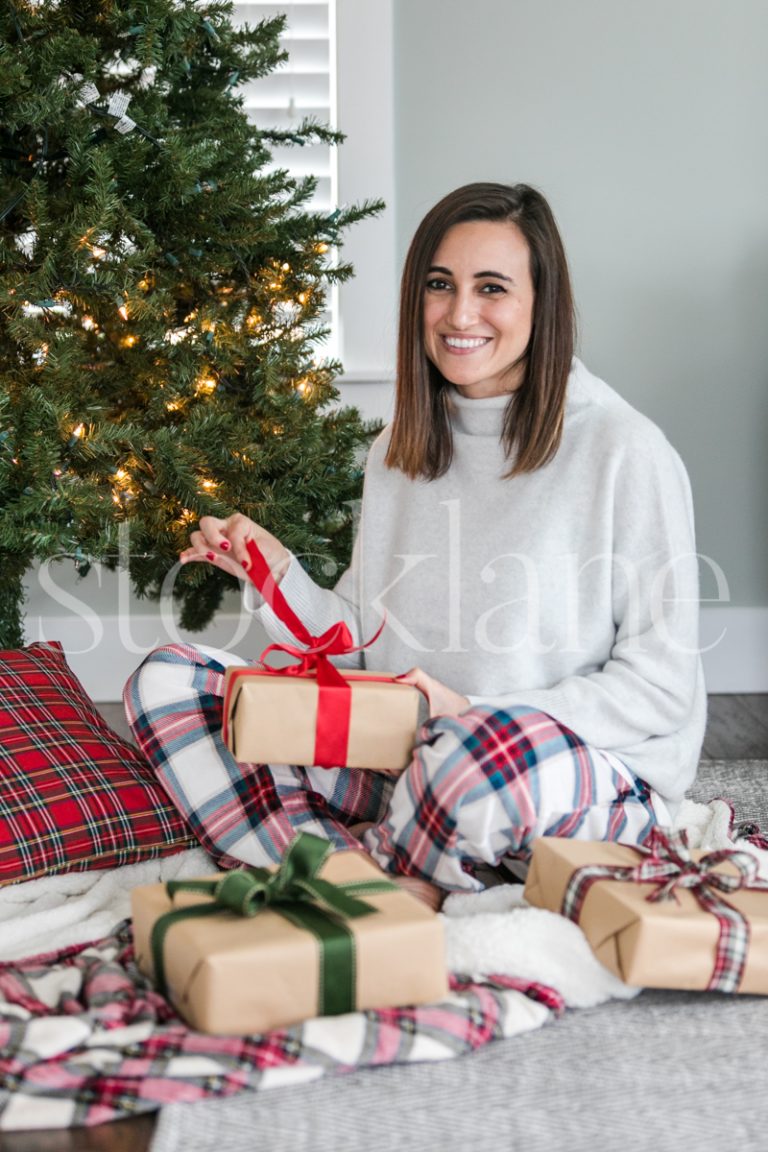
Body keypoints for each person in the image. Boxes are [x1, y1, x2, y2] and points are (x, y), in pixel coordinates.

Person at [124, 181, 706, 908]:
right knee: (172, 683)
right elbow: (362, 651)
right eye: (440, 285)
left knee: (470, 757)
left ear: (541, 302)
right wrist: (276, 575)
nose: (460, 314)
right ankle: (379, 868)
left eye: (491, 288)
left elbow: (659, 689)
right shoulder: (398, 450)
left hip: (551, 769)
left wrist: (476, 710)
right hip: (405, 759)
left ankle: (371, 868)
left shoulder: (625, 450)